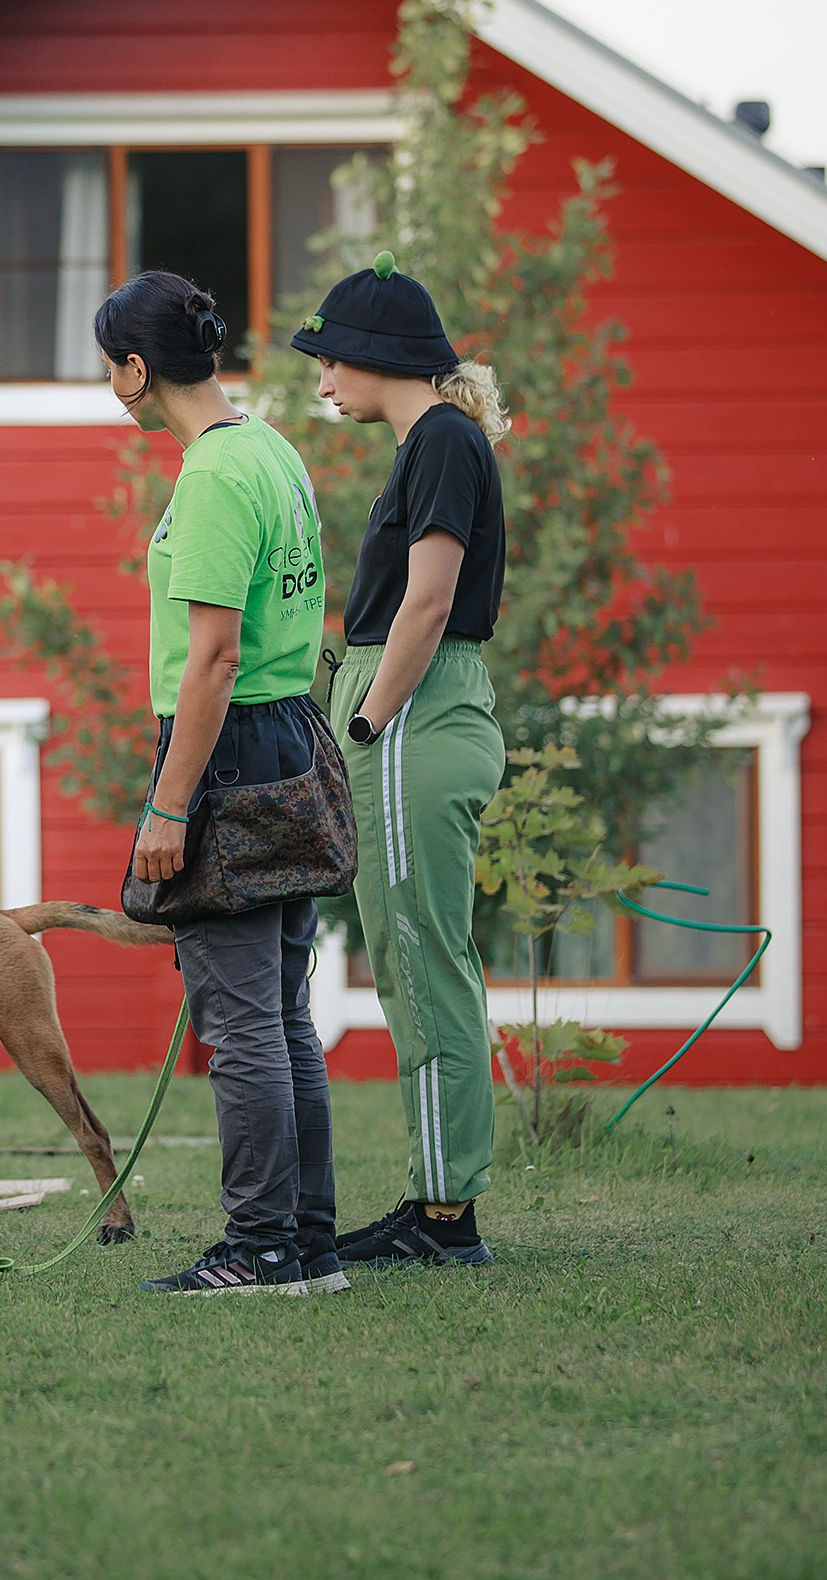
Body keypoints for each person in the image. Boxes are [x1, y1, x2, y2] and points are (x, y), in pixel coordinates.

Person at [108, 271, 342, 1297]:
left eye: (106, 365)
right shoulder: (271, 450)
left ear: (134, 369)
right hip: (291, 732)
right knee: (282, 1013)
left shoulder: (210, 475)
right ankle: (308, 1241)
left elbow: (211, 659)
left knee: (243, 1021)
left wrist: (167, 804)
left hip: (228, 746)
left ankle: (260, 1246)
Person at [291, 255, 510, 1267]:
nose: (323, 379)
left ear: (376, 355)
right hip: (415, 716)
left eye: (330, 357)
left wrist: (370, 722)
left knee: (420, 969)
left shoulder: (442, 443)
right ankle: (436, 1200)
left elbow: (426, 602)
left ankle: (441, 1219)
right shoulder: (434, 444)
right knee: (420, 962)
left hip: (413, 722)